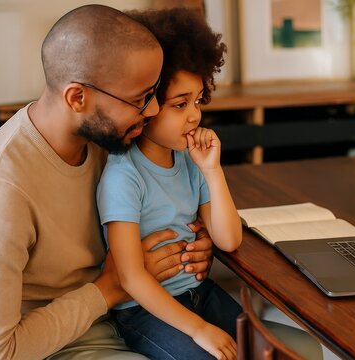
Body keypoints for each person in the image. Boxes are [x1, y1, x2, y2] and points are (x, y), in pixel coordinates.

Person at [0, 5, 215, 359]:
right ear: (77, 98)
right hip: (55, 344)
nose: (153, 111)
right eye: (140, 99)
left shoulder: (112, 141)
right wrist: (107, 289)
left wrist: (199, 242)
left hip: (128, 312)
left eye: (154, 94)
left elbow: (171, 199)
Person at [96, 8, 241, 360]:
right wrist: (198, 328)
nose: (194, 115)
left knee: (261, 344)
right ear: (145, 104)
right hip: (143, 310)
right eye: (179, 104)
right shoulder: (122, 176)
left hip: (199, 291)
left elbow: (228, 238)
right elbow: (129, 278)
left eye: (197, 101)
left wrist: (212, 171)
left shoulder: (191, 162)